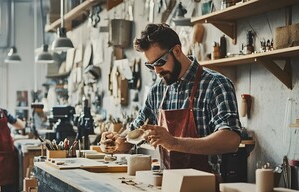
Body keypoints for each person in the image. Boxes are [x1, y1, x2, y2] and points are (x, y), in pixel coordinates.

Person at [101, 23, 242, 179]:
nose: (156, 71)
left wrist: (174, 143)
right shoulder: (157, 91)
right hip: (168, 184)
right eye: (150, 65)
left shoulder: (215, 85)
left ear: (176, 51)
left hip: (206, 187)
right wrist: (117, 141)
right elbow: (137, 130)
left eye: (160, 62)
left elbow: (231, 140)